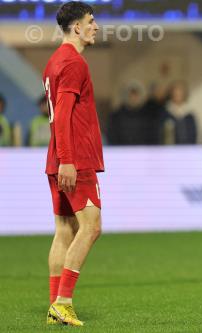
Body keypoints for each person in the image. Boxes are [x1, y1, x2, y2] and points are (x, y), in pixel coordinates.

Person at [42, 1, 103, 326]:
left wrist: (60, 158)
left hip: (57, 156)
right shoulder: (73, 63)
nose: (95, 27)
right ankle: (63, 301)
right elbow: (63, 114)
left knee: (65, 229)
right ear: (77, 27)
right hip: (73, 159)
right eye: (91, 21)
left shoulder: (54, 61)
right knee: (91, 227)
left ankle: (55, 306)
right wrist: (68, 160)